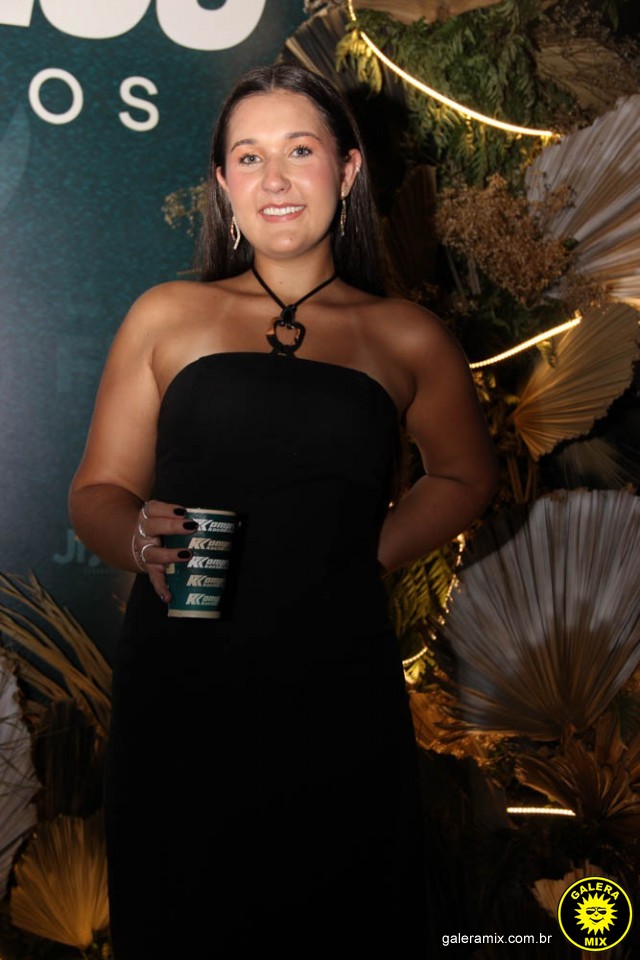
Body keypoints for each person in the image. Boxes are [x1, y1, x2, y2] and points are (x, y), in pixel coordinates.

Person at [69, 63, 497, 957]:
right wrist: (139, 537)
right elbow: (96, 494)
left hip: (338, 689)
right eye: (249, 156)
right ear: (223, 183)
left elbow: (463, 478)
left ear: (347, 170)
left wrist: (367, 551)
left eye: (299, 151)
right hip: (179, 694)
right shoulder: (166, 315)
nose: (274, 178)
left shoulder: (407, 335)